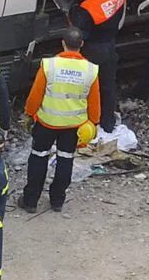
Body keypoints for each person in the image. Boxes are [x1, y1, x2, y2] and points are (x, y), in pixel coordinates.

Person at [19, 26, 99, 214]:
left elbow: (35, 95)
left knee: (38, 158)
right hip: (73, 125)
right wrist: (93, 122)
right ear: (81, 44)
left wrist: (29, 113)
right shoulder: (90, 70)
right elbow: (94, 102)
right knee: (65, 160)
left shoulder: (50, 65)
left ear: (63, 43)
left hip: (46, 122)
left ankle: (31, 200)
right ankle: (57, 200)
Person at [68, 0, 125, 135]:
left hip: (93, 50)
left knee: (86, 87)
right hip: (110, 45)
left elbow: (78, 34)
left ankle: (87, 120)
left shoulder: (88, 10)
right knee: (108, 86)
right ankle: (107, 123)